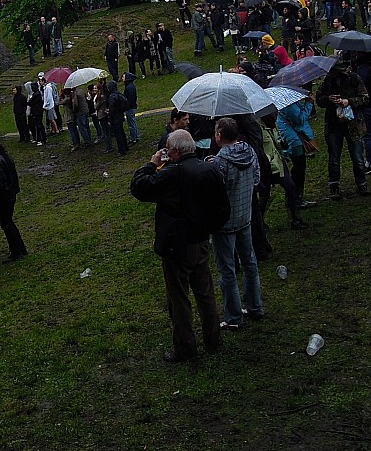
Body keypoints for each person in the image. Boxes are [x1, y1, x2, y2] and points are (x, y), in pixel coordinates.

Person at [130, 130, 229, 363]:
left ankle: (185, 347)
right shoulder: (209, 169)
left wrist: (151, 164)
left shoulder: (173, 174)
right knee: (205, 292)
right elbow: (222, 207)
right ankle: (213, 338)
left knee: (179, 298)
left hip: (176, 245)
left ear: (174, 151)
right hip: (200, 240)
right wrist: (209, 229)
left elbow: (139, 188)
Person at [209, 117, 263, 330]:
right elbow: (256, 179)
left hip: (225, 222)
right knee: (250, 263)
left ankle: (233, 317)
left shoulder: (220, 163)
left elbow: (215, 192)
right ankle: (255, 306)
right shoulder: (249, 151)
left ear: (219, 136)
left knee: (227, 270)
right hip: (245, 216)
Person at [316, 52, 371, 199]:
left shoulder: (354, 78)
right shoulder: (327, 81)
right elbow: (319, 99)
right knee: (334, 157)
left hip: (353, 123)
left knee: (357, 157)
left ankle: (362, 183)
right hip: (333, 124)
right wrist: (329, 99)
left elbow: (365, 98)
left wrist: (349, 101)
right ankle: (334, 186)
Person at [0, 134, 28, 260]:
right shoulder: (5, 156)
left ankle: (16, 250)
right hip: (11, 193)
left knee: (6, 223)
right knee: (9, 222)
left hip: (4, 196)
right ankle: (20, 248)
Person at [105, 79, 129, 155]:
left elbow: (112, 109)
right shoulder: (119, 94)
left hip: (115, 118)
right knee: (122, 132)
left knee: (118, 135)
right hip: (120, 116)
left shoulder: (112, 97)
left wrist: (109, 117)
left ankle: (121, 150)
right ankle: (125, 146)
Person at [122, 72, 139, 145]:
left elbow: (129, 99)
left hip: (130, 108)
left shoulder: (129, 87)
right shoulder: (131, 86)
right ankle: (135, 137)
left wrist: (126, 106)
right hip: (132, 107)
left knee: (131, 124)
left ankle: (133, 138)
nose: (122, 78)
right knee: (133, 123)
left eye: (123, 77)